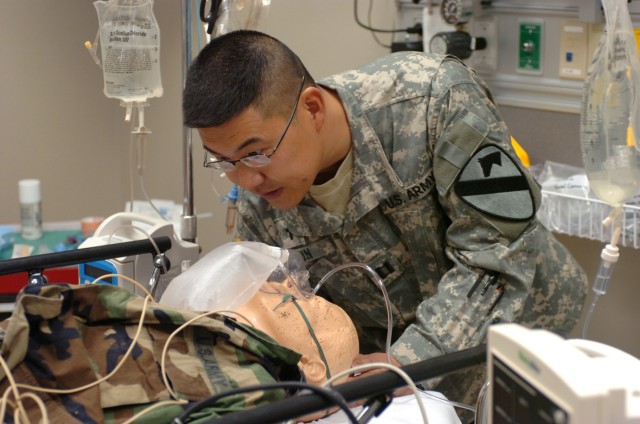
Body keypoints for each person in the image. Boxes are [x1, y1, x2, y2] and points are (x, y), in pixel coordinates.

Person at [182, 29, 588, 420]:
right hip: (389, 382)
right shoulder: (260, 202)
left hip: (520, 341)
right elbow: (277, 311)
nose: (246, 180)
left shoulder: (431, 100)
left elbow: (497, 251)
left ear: (312, 108)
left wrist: (409, 359)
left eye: (255, 153)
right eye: (222, 161)